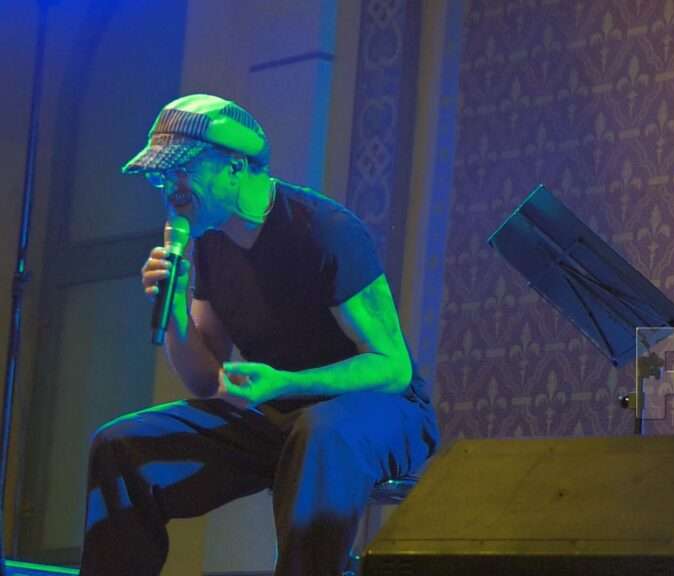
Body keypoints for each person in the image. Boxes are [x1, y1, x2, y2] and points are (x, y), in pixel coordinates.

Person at [79, 93, 440, 575]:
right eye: (160, 176)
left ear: (235, 166)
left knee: (320, 433)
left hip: (384, 412)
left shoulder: (324, 231)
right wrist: (176, 312)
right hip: (281, 412)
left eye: (181, 171)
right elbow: (206, 380)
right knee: (121, 446)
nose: (169, 189)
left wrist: (285, 383)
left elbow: (391, 368)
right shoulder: (209, 240)